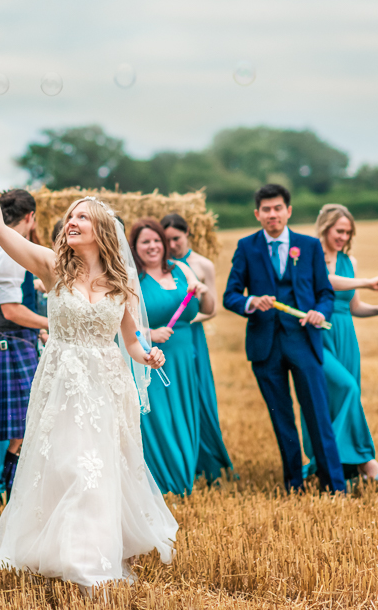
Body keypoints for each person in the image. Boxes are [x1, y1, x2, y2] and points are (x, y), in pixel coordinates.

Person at [0, 134, 176, 589]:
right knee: (63, 465)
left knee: (96, 467)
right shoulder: (51, 266)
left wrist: (149, 353)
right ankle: (60, 550)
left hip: (106, 383)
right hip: (61, 380)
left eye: (82, 217)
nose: (71, 222)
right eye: (69, 217)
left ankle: (89, 559)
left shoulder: (122, 283)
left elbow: (132, 343)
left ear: (102, 230)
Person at [222, 184, 345, 494]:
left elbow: (325, 292)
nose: (272, 214)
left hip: (304, 340)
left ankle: (335, 485)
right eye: (266, 209)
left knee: (318, 414)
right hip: (265, 346)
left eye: (278, 208)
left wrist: (319, 312)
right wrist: (250, 303)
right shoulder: (246, 247)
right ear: (257, 214)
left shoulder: (310, 246)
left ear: (288, 211)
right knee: (282, 419)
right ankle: (294, 484)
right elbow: (230, 295)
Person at [302, 204, 378, 483]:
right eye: (338, 231)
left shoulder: (349, 262)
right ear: (325, 227)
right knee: (345, 389)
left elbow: (352, 306)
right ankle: (366, 460)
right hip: (318, 336)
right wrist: (366, 281)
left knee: (342, 397)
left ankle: (335, 466)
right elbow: (327, 282)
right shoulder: (310, 255)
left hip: (345, 336)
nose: (343, 237)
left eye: (347, 232)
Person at [0, 189, 49, 499]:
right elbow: (11, 309)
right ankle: (8, 490)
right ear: (30, 217)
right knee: (27, 426)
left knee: (24, 428)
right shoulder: (9, 251)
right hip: (14, 341)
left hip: (5, 340)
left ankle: (8, 490)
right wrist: (53, 323)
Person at [131, 218, 213, 495]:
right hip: (151, 358)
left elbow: (209, 306)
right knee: (161, 420)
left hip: (184, 357)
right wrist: (150, 333)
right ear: (135, 247)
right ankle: (165, 482)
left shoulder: (180, 269)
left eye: (157, 241)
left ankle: (184, 479)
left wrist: (203, 290)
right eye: (146, 242)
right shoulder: (131, 279)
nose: (153, 246)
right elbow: (121, 323)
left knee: (185, 416)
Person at [161, 213, 237, 484]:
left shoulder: (201, 265)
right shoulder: (159, 266)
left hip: (190, 335)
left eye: (176, 239)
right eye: (166, 239)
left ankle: (206, 460)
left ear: (188, 233)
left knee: (198, 392)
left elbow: (212, 308)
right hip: (163, 336)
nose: (171, 245)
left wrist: (183, 321)